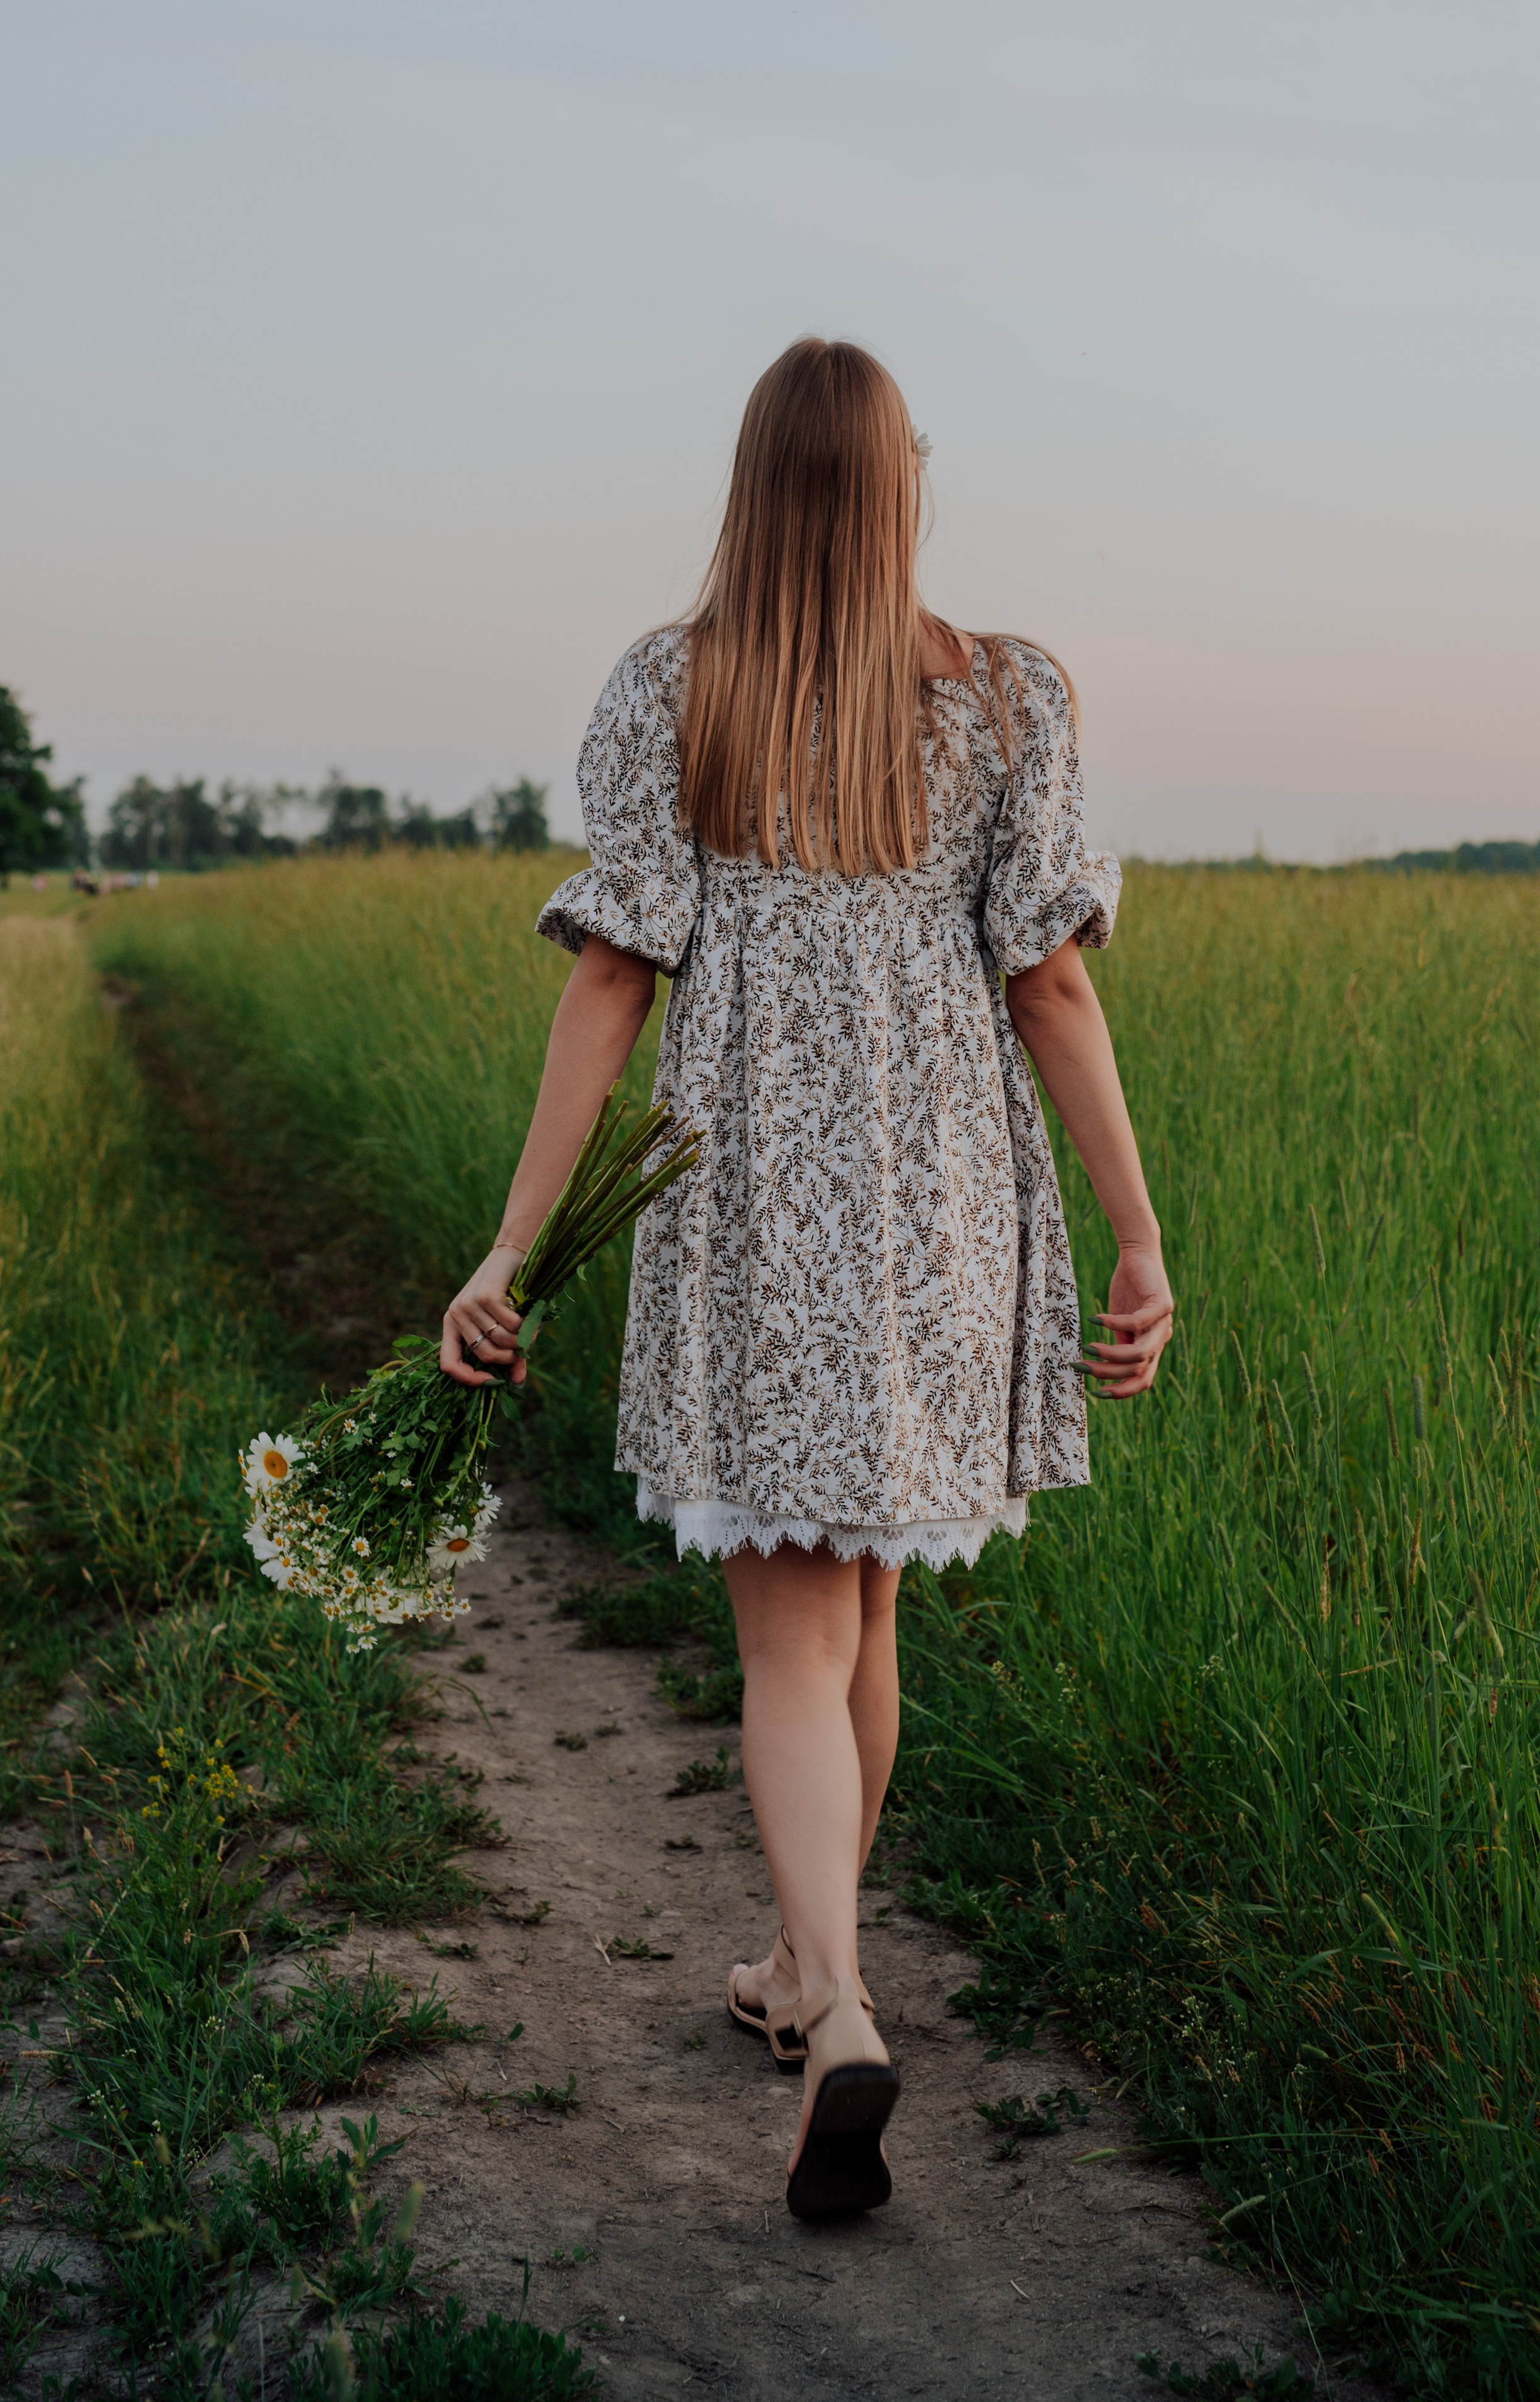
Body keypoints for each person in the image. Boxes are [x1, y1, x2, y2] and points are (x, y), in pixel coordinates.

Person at [440, 338, 1173, 2222]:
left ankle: (835, 2003)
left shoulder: (671, 692)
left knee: (793, 1637)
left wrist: (510, 1248)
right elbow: (1054, 979)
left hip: (754, 1194)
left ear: (756, 485)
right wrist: (1136, 1228)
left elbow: (612, 980)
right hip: (939, 1199)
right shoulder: (1011, 700)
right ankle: (797, 1964)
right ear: (904, 483)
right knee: (860, 1625)